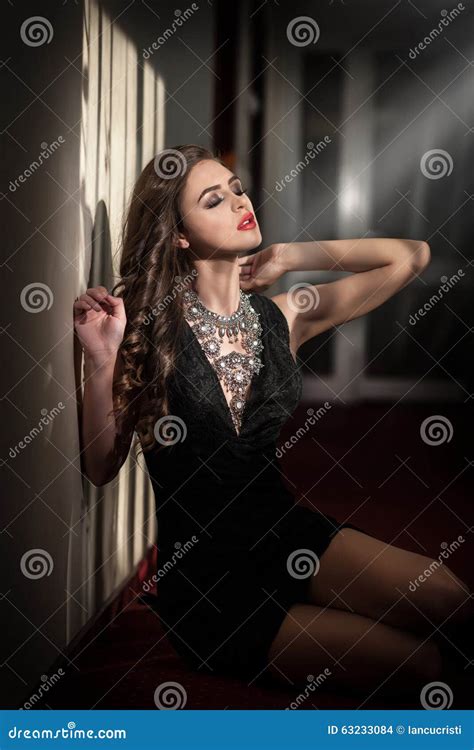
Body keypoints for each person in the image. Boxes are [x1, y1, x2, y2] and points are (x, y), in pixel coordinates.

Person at [74, 144, 473, 701]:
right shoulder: (149, 332)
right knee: (421, 664)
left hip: (286, 532)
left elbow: (410, 256)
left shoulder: (285, 314)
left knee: (450, 601)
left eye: (237, 188)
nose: (239, 201)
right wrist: (100, 362)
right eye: (214, 200)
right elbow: (99, 464)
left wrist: (289, 255)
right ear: (181, 236)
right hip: (213, 587)